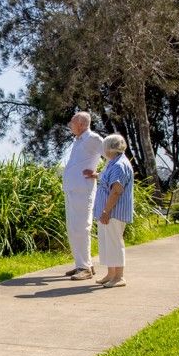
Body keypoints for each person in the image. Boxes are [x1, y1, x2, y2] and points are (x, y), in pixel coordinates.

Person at [62, 111, 104, 280]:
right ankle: (82, 264)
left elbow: (112, 156)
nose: (70, 124)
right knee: (73, 229)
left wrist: (98, 174)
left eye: (72, 121)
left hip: (83, 191)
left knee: (81, 227)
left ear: (80, 123)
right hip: (72, 191)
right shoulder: (78, 140)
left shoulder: (93, 139)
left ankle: (85, 268)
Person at [88, 134, 134, 288]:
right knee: (107, 243)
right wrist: (95, 175)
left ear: (110, 148)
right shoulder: (113, 163)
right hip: (108, 212)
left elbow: (116, 190)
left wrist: (106, 211)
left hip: (114, 212)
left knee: (114, 243)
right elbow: (107, 177)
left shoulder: (119, 165)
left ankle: (119, 276)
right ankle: (111, 274)